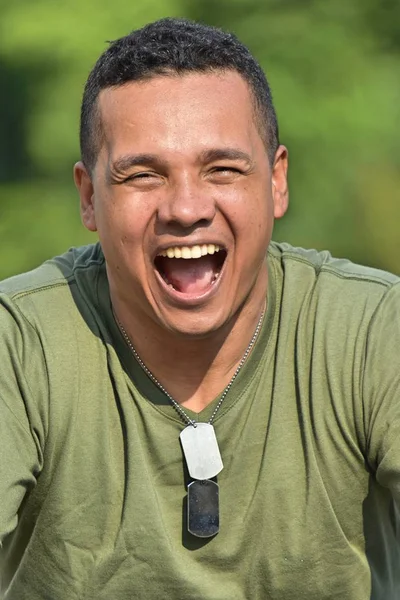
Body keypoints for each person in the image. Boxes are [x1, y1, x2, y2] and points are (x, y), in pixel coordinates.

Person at [0, 16, 399, 600]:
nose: (186, 208)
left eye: (222, 170)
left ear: (277, 180)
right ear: (89, 197)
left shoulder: (371, 331)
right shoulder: (20, 343)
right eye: (143, 175)